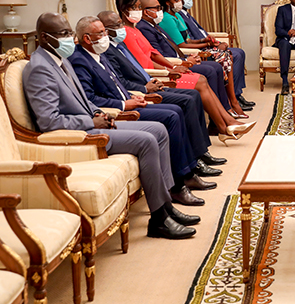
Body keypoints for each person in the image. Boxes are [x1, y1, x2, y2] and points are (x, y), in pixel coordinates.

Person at [22, 12, 198, 239]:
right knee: (146, 140)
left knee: (159, 130)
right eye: (63, 33)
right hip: (79, 135)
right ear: (45, 37)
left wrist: (98, 112)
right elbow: (48, 121)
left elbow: (82, 99)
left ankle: (166, 206)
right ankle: (159, 219)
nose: (70, 38)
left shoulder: (60, 59)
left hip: (93, 122)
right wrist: (90, 121)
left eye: (69, 32)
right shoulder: (39, 68)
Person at [68, 15, 218, 204]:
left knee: (178, 109)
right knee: (172, 115)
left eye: (105, 31)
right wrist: (125, 104)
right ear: (87, 38)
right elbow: (90, 98)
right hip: (119, 111)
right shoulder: (80, 60)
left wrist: (132, 95)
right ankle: (180, 182)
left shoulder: (98, 54)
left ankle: (190, 169)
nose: (105, 36)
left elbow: (117, 83)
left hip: (132, 98)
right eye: (101, 33)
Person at [115, 0, 254, 143]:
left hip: (164, 70)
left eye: (139, 7)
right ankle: (223, 127)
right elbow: (143, 63)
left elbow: (154, 54)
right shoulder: (127, 32)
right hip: (155, 76)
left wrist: (173, 66)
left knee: (202, 79)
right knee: (201, 80)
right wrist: (170, 70)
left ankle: (228, 121)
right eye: (134, 7)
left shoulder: (135, 29)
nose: (138, 11)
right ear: (124, 10)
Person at [97, 10, 226, 169]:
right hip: (141, 91)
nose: (121, 28)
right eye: (116, 25)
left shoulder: (119, 45)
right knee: (186, 102)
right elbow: (121, 81)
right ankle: (194, 162)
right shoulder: (107, 52)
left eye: (120, 24)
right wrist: (144, 88)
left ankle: (201, 152)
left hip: (150, 82)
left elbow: (138, 67)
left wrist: (152, 80)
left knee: (193, 95)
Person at [156, 0, 246, 118]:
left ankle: (231, 101)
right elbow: (182, 45)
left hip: (192, 48)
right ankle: (230, 103)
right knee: (223, 57)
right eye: (177, 0)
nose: (180, 2)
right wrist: (207, 45)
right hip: (185, 53)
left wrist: (205, 40)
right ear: (167, 2)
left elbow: (188, 39)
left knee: (226, 56)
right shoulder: (167, 18)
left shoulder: (177, 16)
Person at [175, 0, 252, 112]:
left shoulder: (187, 14)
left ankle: (237, 94)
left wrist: (217, 42)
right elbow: (189, 40)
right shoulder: (178, 16)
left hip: (208, 44)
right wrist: (212, 45)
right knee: (236, 55)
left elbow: (202, 33)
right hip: (202, 49)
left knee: (240, 52)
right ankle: (233, 97)